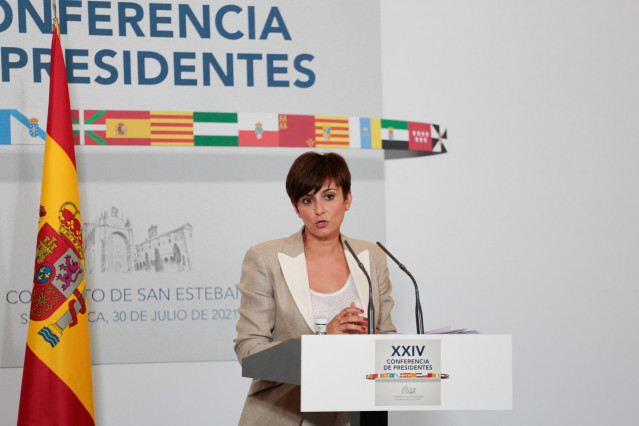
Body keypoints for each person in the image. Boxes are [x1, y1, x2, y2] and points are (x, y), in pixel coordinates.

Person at [234, 152, 396, 425]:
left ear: (348, 199)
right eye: (307, 200)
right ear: (297, 209)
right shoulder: (265, 258)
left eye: (329, 196)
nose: (319, 209)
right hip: (285, 413)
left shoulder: (372, 256)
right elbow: (249, 351)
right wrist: (322, 342)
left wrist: (375, 338)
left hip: (355, 413)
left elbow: (387, 337)